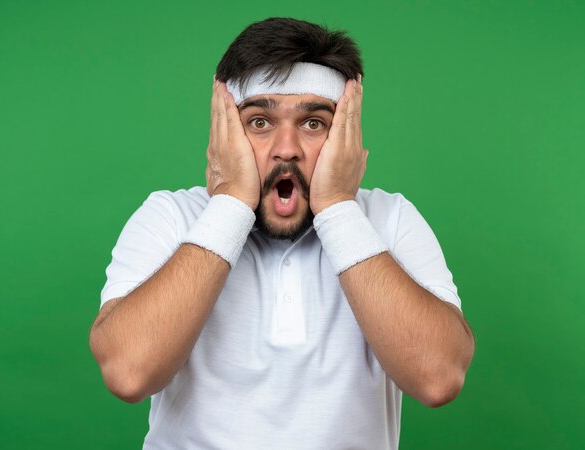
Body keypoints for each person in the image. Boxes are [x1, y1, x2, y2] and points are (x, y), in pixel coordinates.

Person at [89, 17, 475, 450]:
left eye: (314, 123)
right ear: (224, 132)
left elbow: (438, 379)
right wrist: (232, 201)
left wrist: (338, 207)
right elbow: (127, 373)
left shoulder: (390, 219)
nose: (286, 147)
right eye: (259, 122)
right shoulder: (172, 216)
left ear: (346, 134)